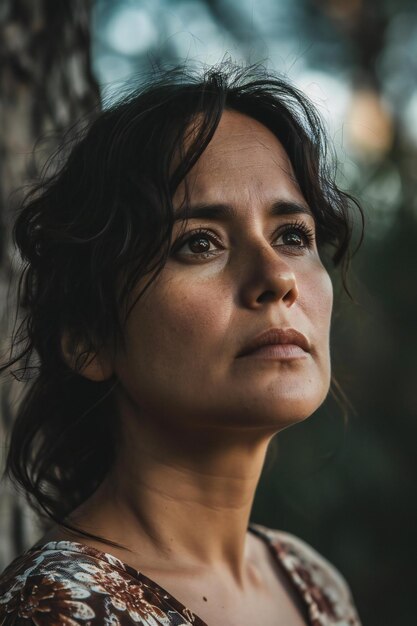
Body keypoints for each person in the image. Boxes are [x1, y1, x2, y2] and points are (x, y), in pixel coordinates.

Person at [0, 63, 363, 625]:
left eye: (292, 235)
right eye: (199, 243)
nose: (278, 277)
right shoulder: (59, 610)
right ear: (87, 339)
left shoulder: (314, 586)